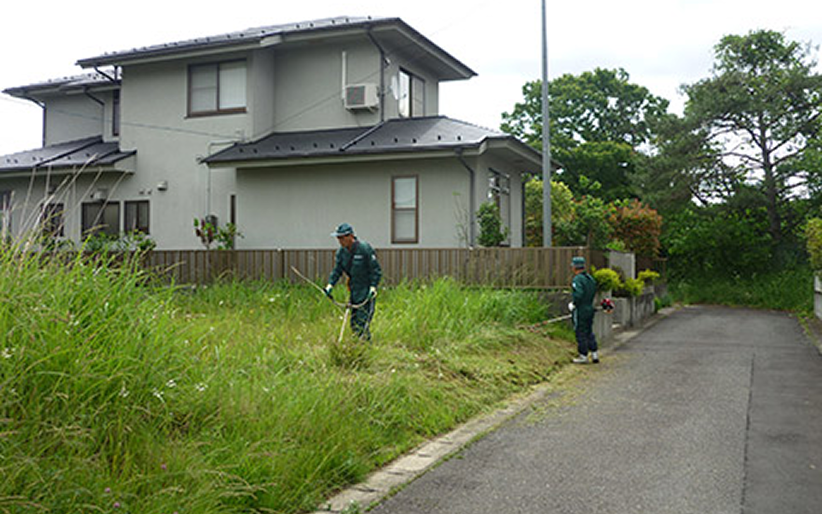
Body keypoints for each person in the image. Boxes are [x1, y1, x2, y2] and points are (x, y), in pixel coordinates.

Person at [325, 223, 382, 340]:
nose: (339, 241)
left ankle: (365, 351)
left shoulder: (365, 249)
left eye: (341, 237)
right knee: (354, 323)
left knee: (362, 323)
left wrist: (373, 286)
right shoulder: (341, 253)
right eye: (338, 238)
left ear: (350, 236)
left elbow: (376, 270)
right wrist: (330, 285)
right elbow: (337, 270)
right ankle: (357, 351)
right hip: (354, 290)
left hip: (366, 291)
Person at [568, 256, 599, 364]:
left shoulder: (577, 279)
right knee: (589, 331)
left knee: (580, 331)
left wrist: (574, 304)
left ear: (575, 267)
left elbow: (578, 294)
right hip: (590, 308)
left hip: (581, 309)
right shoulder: (590, 278)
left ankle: (583, 355)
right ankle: (594, 353)